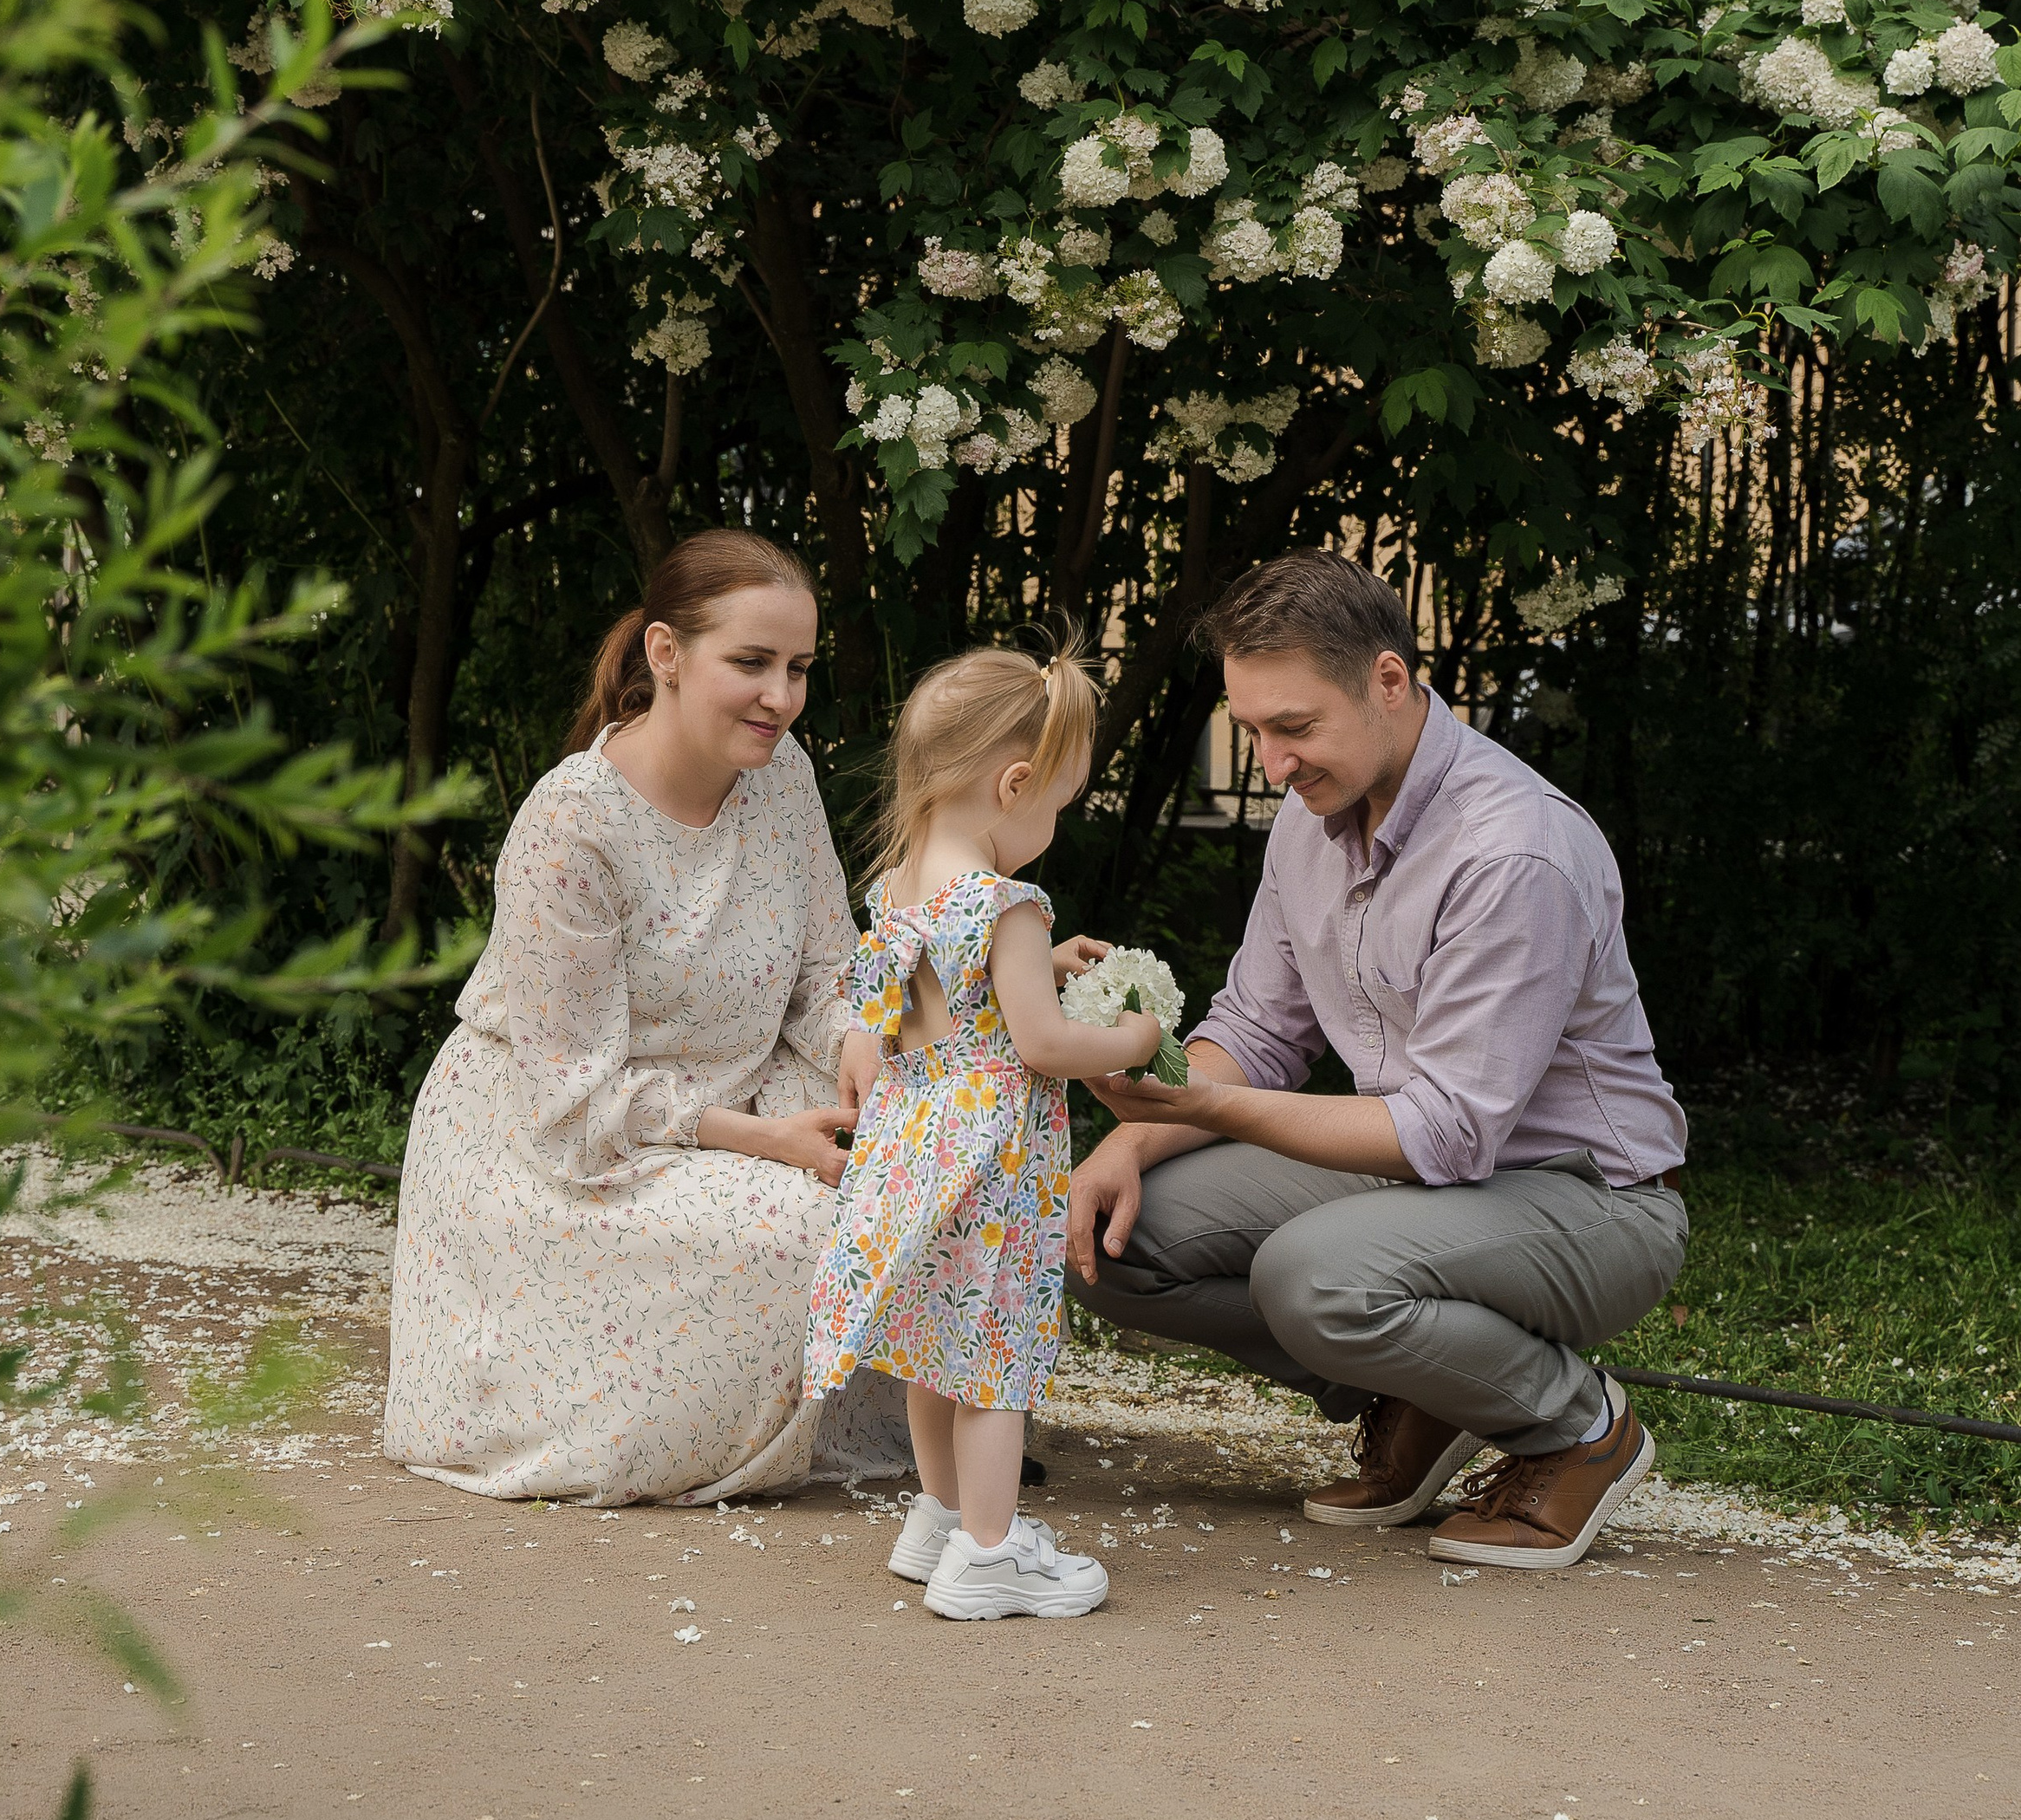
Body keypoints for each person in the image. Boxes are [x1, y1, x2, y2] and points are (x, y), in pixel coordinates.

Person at [1068, 550, 1688, 1572]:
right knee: (1102, 1233)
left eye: (1294, 727)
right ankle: (1429, 1388)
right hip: (1418, 1172)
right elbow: (1256, 1036)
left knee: (1314, 1276)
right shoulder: (1312, 824)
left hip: (1590, 1201)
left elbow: (1446, 1131)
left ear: (1389, 683)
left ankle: (1576, 1428)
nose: (1270, 762)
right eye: (1252, 730)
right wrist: (1130, 1140)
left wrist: (1207, 1112)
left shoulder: (1513, 851)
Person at [384, 530, 908, 1505]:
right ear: (665, 655)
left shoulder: (781, 775)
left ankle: (954, 1425)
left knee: (925, 1148)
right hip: (563, 1145)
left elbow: (829, 966)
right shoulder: (571, 826)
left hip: (736, 1092)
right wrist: (767, 1144)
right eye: (750, 664)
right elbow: (572, 1097)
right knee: (804, 1230)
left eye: (797, 668)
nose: (781, 698)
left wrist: (862, 1042)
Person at [805, 640, 1138, 1622]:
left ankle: (938, 1521)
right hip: (992, 1157)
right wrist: (1130, 1032)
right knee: (995, 1354)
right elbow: (1037, 1043)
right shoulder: (1006, 904)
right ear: (1015, 782)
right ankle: (991, 1558)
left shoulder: (903, 884)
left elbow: (912, 1014)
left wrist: (1050, 962)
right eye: (1057, 805)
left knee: (931, 1340)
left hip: (920, 1144)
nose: (1053, 826)